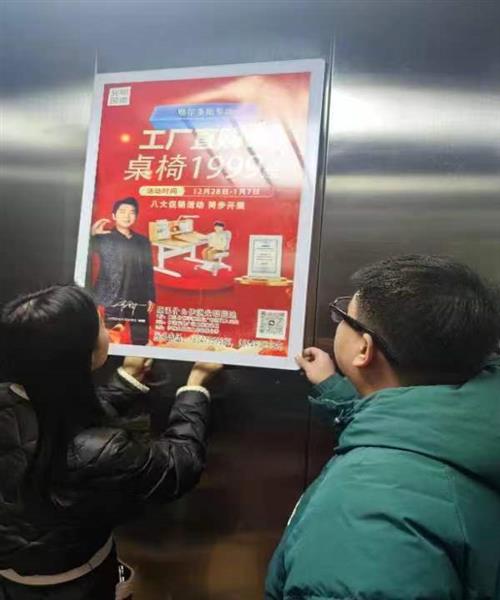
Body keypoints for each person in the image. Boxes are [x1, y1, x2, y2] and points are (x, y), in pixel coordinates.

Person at [266, 255, 500, 599]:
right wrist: (336, 388)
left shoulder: (367, 510)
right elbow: (415, 430)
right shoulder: (476, 424)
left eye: (343, 316)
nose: (338, 322)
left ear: (364, 348)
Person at [0, 284, 220, 599]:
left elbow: (54, 419)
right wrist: (195, 387)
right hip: (76, 587)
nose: (108, 331)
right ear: (86, 354)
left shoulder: (12, 396)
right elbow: (179, 466)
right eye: (102, 325)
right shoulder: (105, 450)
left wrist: (126, 381)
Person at [91, 197, 155, 346]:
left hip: (138, 296)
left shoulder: (142, 241)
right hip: (112, 296)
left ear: (136, 216)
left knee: (141, 338)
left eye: (131, 212)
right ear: (114, 215)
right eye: (122, 212)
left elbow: (148, 270)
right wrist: (93, 236)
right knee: (109, 338)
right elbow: (85, 253)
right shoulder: (105, 237)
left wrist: (151, 296)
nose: (127, 216)